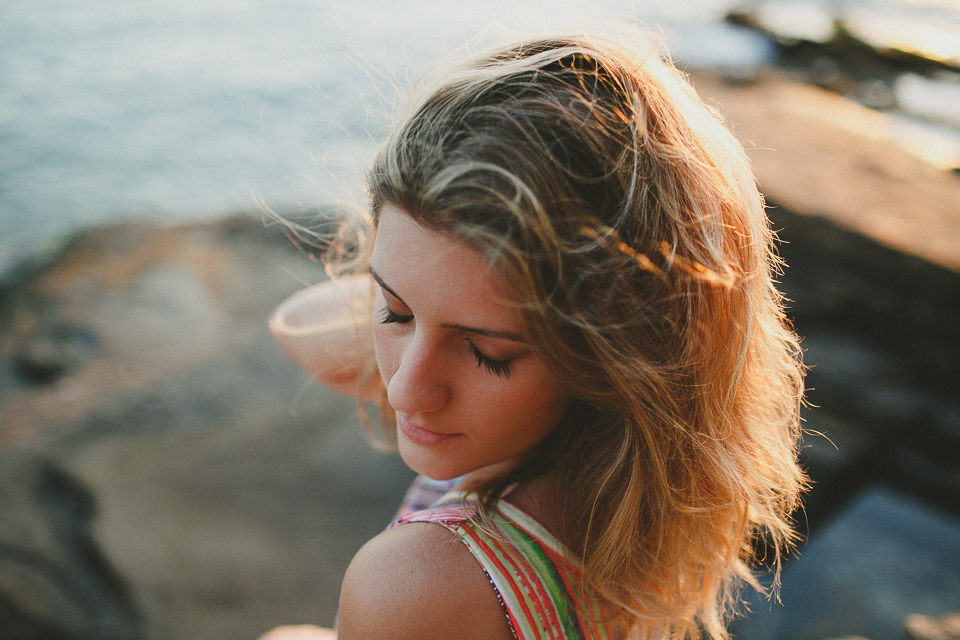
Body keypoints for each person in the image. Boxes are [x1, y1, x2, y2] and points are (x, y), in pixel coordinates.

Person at [262, 28, 806, 640]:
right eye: (392, 311)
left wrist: (424, 298)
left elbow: (297, 329)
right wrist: (451, 296)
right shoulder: (632, 496)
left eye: (488, 352)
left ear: (613, 356)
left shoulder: (419, 586)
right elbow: (298, 332)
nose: (407, 392)